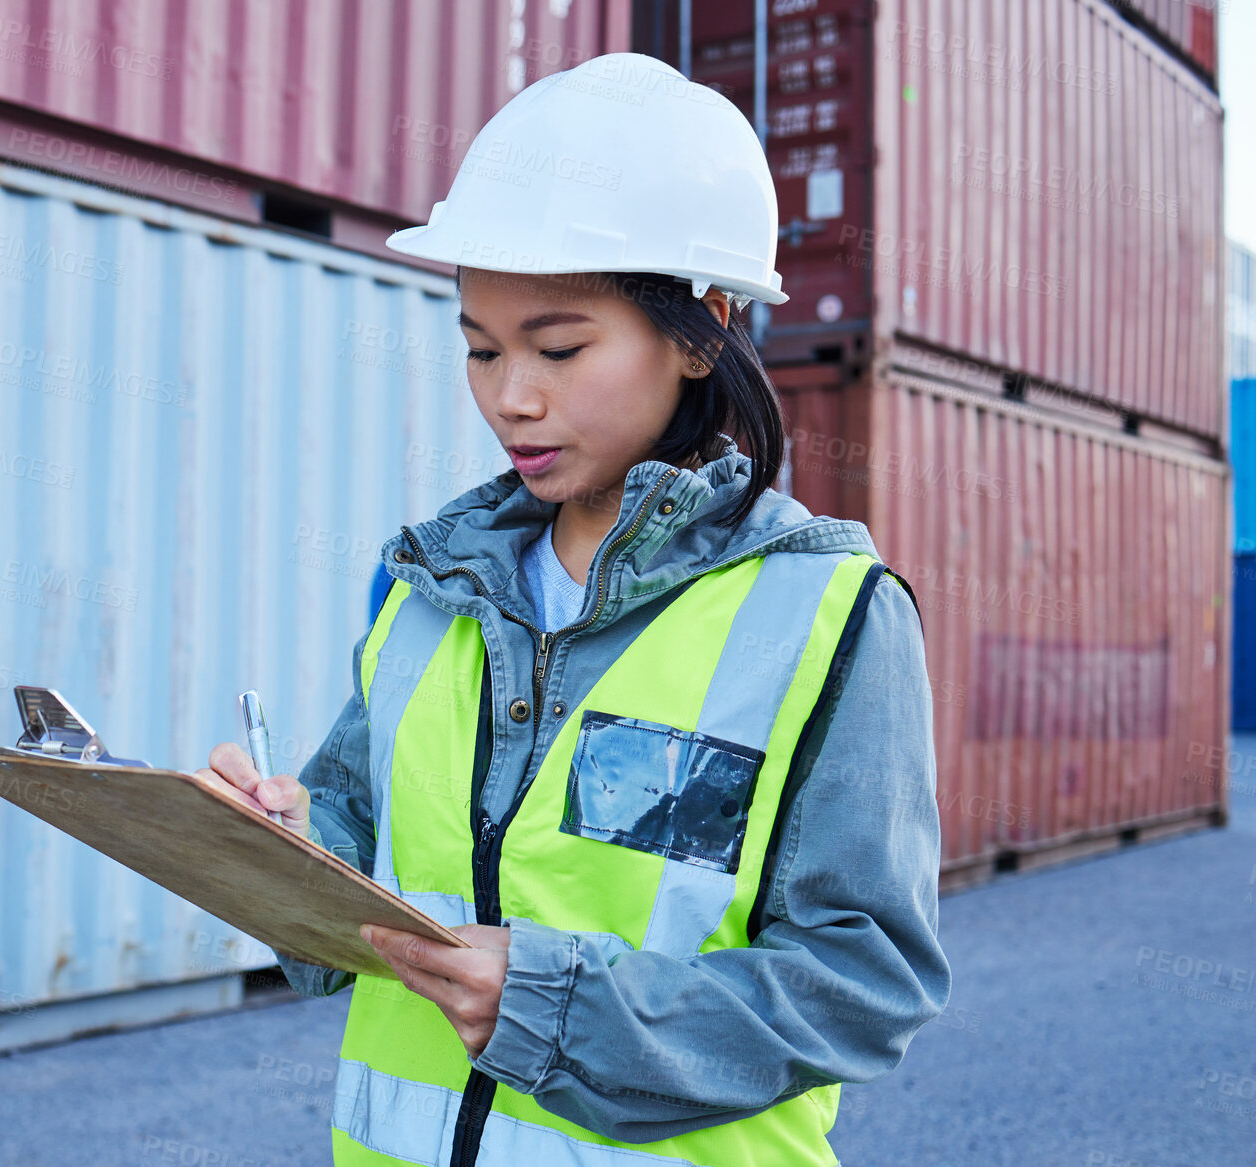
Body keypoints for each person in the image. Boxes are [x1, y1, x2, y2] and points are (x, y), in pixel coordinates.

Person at [195, 51, 949, 1167]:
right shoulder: (427, 592)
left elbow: (861, 980)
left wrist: (556, 1009)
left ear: (704, 330)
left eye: (559, 347)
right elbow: (365, 861)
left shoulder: (829, 614)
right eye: (482, 350)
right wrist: (281, 850)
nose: (512, 397)